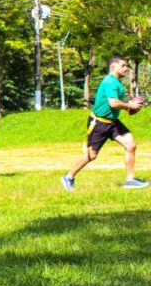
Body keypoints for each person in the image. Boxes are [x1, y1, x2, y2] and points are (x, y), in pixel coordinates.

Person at [61, 56, 148, 191]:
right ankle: (69, 176)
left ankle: (130, 180)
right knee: (92, 155)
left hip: (112, 122)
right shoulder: (111, 82)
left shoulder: (116, 82)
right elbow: (113, 103)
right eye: (123, 66)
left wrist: (128, 107)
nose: (126, 68)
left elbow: (115, 104)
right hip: (99, 123)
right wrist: (129, 105)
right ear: (113, 67)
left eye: (126, 66)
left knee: (131, 145)